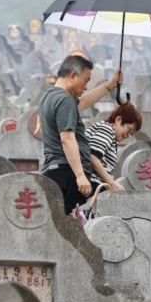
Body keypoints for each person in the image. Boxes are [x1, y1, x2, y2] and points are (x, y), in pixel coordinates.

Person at [40, 55, 124, 214]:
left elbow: (83, 102)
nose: (86, 87)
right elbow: (67, 139)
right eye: (85, 81)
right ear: (73, 75)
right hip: (68, 173)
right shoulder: (65, 99)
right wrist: (80, 175)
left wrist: (110, 85)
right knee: (70, 224)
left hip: (56, 171)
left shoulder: (51, 96)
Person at [85, 101, 142, 193]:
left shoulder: (107, 131)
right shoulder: (107, 129)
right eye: (130, 130)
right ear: (118, 120)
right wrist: (112, 183)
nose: (128, 135)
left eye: (132, 133)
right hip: (92, 184)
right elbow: (93, 157)